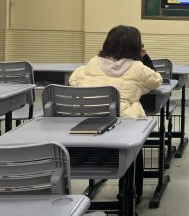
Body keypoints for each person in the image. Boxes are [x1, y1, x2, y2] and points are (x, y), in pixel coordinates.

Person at [69, 25, 163, 204]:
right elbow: (156, 81)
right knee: (136, 141)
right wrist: (144, 58)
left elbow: (74, 79)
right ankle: (133, 192)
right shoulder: (137, 67)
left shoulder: (93, 62)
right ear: (136, 46)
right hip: (124, 128)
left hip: (89, 125)